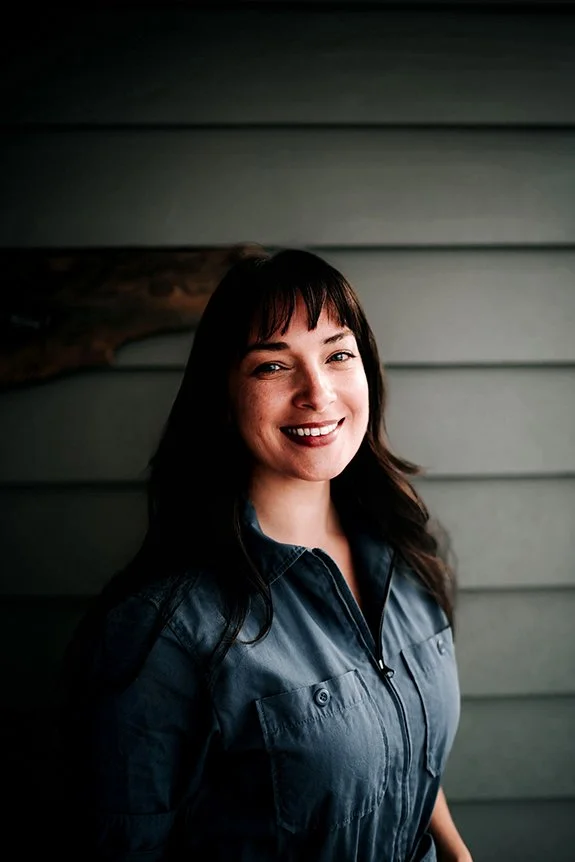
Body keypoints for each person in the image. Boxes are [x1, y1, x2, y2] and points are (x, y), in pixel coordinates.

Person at [59, 247, 472, 862]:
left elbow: (411, 754)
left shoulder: (407, 554)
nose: (317, 392)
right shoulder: (165, 630)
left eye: (338, 354)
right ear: (223, 397)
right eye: (273, 367)